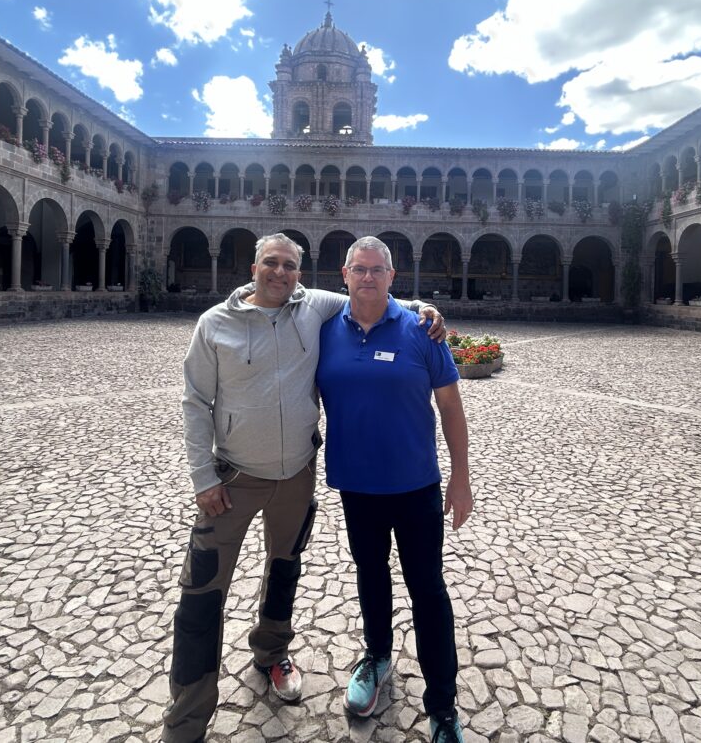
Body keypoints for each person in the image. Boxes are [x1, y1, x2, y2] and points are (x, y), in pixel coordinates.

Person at [165, 233, 444, 743]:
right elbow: (193, 402)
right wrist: (202, 477)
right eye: (270, 263)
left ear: (302, 272)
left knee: (284, 568)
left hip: (296, 474)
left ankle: (271, 654)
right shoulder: (214, 324)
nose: (280, 272)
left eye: (290, 265)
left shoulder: (312, 305)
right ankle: (185, 722)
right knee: (202, 593)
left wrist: (422, 307)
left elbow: (374, 293)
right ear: (253, 267)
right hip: (233, 477)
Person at [316, 235, 473, 743]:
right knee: (370, 576)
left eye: (376, 270)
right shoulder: (322, 329)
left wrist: (462, 478)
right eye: (358, 269)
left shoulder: (423, 330)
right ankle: (377, 657)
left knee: (428, 590)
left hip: (416, 487)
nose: (367, 277)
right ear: (344, 275)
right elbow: (270, 294)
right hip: (356, 486)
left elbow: (451, 408)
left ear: (392, 276)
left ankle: (443, 705)